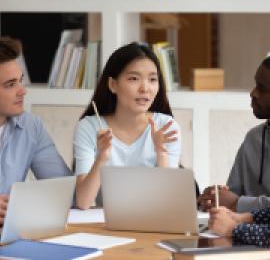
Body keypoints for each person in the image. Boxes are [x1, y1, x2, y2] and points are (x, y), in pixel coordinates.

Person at [74, 42, 181, 209]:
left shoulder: (166, 126)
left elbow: (170, 202)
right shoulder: (89, 127)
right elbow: (83, 202)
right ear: (113, 85)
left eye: (153, 79)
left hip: (152, 223)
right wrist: (101, 157)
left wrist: (161, 152)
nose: (145, 88)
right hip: (107, 226)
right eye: (134, 79)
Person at [0, 37, 71, 224]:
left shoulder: (31, 127)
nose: (22, 91)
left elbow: (63, 192)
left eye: (20, 81)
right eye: (10, 84)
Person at [199, 56, 270, 213]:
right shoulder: (254, 137)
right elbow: (233, 194)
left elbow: (235, 201)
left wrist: (237, 202)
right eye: (255, 84)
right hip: (240, 231)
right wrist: (216, 198)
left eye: (262, 88)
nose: (253, 93)